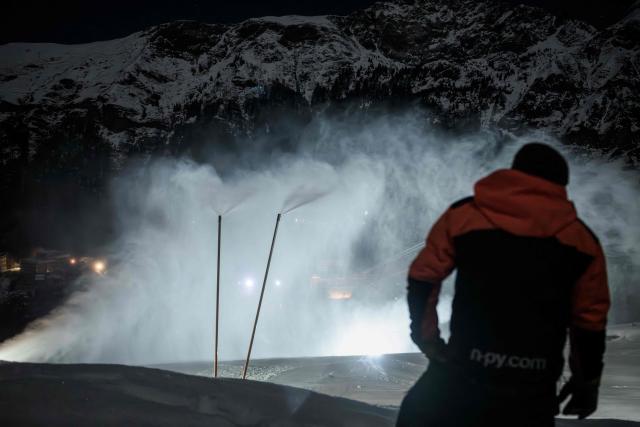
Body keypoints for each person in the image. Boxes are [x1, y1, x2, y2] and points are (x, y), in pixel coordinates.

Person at [397, 143, 610, 427]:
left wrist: (428, 341)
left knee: (416, 414)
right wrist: (587, 382)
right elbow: (590, 321)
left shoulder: (464, 216)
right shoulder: (582, 241)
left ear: (514, 173)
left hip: (464, 373)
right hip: (532, 388)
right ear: (560, 185)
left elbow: (423, 276)